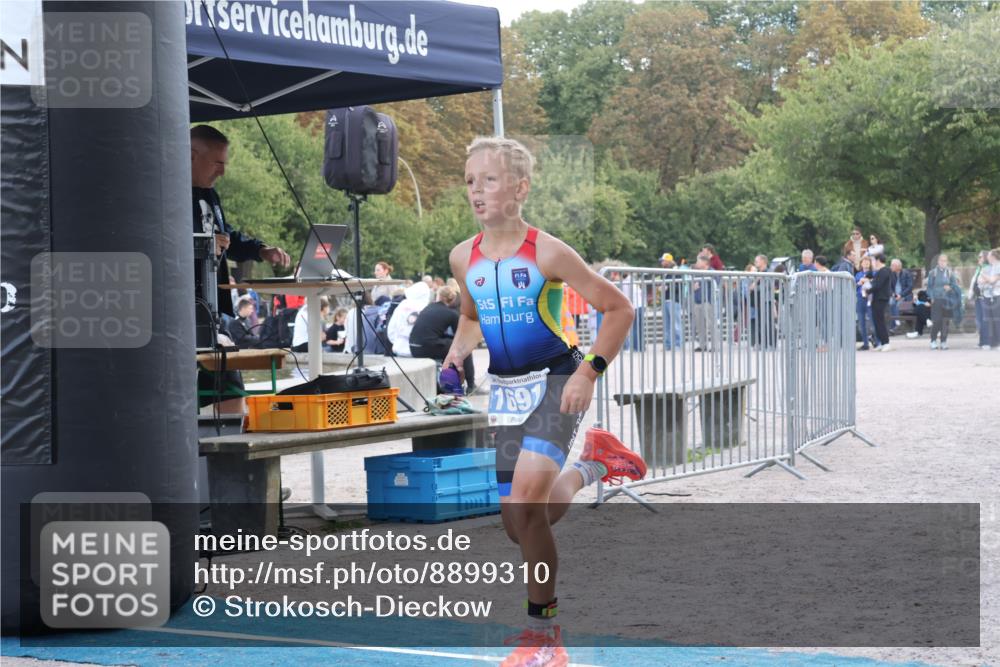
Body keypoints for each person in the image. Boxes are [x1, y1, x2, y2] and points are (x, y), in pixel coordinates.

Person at [442, 136, 644, 666]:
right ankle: (595, 463)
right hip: (507, 391)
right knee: (517, 526)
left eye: (488, 179)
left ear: (520, 188)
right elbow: (470, 316)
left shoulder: (548, 252)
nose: (476, 191)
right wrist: (454, 357)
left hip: (557, 380)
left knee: (527, 510)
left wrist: (589, 372)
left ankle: (544, 638)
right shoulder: (463, 257)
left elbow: (619, 310)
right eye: (469, 181)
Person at [192, 125, 290, 411]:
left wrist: (260, 250)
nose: (222, 172)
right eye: (217, 163)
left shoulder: (210, 195)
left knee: (232, 391)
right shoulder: (165, 194)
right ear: (191, 156)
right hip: (180, 313)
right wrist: (201, 244)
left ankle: (234, 447)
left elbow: (228, 236)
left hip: (211, 312)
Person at [409, 286, 476, 392]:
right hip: (427, 347)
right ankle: (471, 386)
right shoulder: (451, 313)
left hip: (413, 347)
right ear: (452, 299)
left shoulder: (428, 307)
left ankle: (447, 385)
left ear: (438, 296)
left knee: (448, 345)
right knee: (464, 349)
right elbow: (460, 337)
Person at [926, 253, 963, 350]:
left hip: (947, 300)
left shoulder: (950, 273)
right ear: (938, 262)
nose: (943, 262)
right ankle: (933, 341)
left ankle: (943, 341)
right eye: (941, 260)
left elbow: (955, 286)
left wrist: (950, 287)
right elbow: (929, 287)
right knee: (937, 321)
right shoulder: (932, 273)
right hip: (936, 300)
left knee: (945, 322)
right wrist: (931, 297)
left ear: (947, 262)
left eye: (945, 261)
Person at [387, 280, 432, 357]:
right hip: (418, 350)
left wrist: (397, 342)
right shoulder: (426, 308)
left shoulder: (403, 304)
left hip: (399, 349)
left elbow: (392, 327)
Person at [691, 255, 716, 352]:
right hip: (698, 301)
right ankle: (702, 345)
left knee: (711, 324)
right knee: (700, 325)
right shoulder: (697, 273)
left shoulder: (711, 272)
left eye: (698, 261)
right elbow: (694, 285)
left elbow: (715, 284)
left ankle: (714, 346)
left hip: (708, 301)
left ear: (705, 263)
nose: (696, 263)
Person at [868, 254, 892, 351]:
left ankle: (886, 342)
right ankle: (881, 342)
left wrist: (867, 290)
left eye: (874, 260)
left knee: (880, 321)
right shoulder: (880, 271)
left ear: (878, 260)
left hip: (881, 299)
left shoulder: (884, 271)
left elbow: (878, 285)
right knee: (876, 321)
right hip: (877, 298)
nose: (873, 263)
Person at [978, 248, 1000, 350]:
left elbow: (991, 280)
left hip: (996, 295)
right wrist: (986, 279)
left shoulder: (998, 266)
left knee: (997, 320)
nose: (987, 258)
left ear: (993, 257)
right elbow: (980, 282)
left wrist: (983, 274)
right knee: (989, 320)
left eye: (989, 256)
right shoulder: (989, 267)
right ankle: (992, 342)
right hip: (987, 295)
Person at [660, 253, 683, 349]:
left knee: (675, 324)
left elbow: (679, 286)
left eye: (663, 261)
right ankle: (668, 344)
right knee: (667, 324)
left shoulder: (676, 271)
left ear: (668, 261)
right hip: (666, 299)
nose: (661, 262)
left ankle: (677, 344)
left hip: (674, 300)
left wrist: (667, 286)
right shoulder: (666, 272)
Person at [855, 256, 875, 350]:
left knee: (872, 320)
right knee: (861, 322)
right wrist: (859, 282)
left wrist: (869, 280)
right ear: (861, 263)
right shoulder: (858, 274)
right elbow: (854, 286)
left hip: (870, 298)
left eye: (868, 262)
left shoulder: (874, 273)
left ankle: (876, 340)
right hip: (860, 298)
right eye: (864, 262)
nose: (866, 263)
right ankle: (865, 343)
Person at [888, 259, 913, 334]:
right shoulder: (891, 274)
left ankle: (896, 325)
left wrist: (901, 295)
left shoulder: (906, 273)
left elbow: (910, 287)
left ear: (898, 266)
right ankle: (893, 326)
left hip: (904, 295)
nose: (891, 267)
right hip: (894, 295)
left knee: (898, 305)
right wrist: (893, 294)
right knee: (890, 303)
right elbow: (889, 286)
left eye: (892, 265)